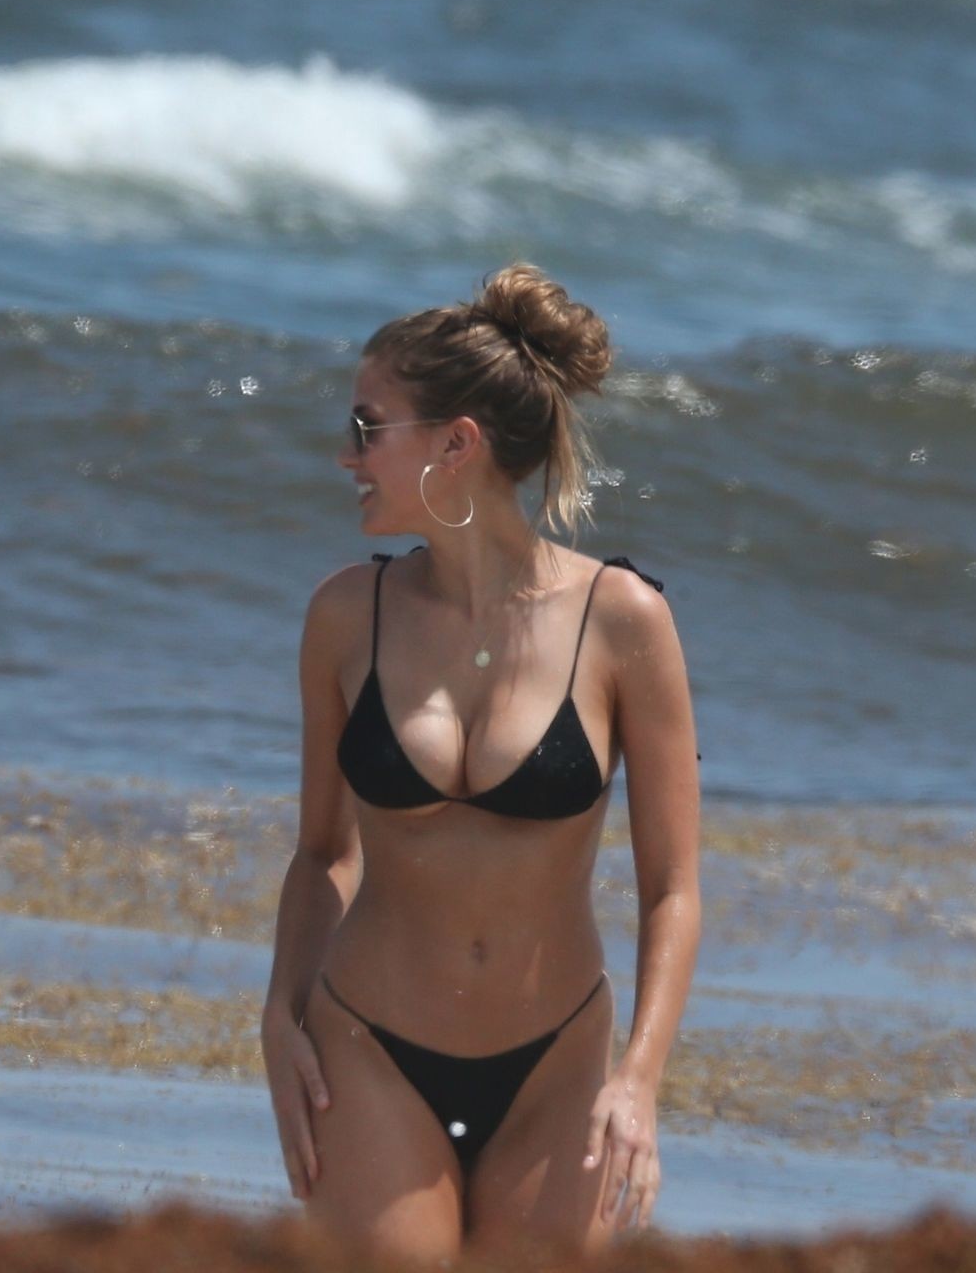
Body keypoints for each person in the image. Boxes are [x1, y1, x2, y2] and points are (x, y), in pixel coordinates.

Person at [260, 265, 701, 1262]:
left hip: (560, 1071)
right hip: (366, 1048)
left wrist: (639, 1079)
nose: (346, 454)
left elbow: (673, 887)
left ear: (455, 444)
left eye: (369, 427)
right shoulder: (346, 616)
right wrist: (279, 1017)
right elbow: (322, 852)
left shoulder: (622, 620)